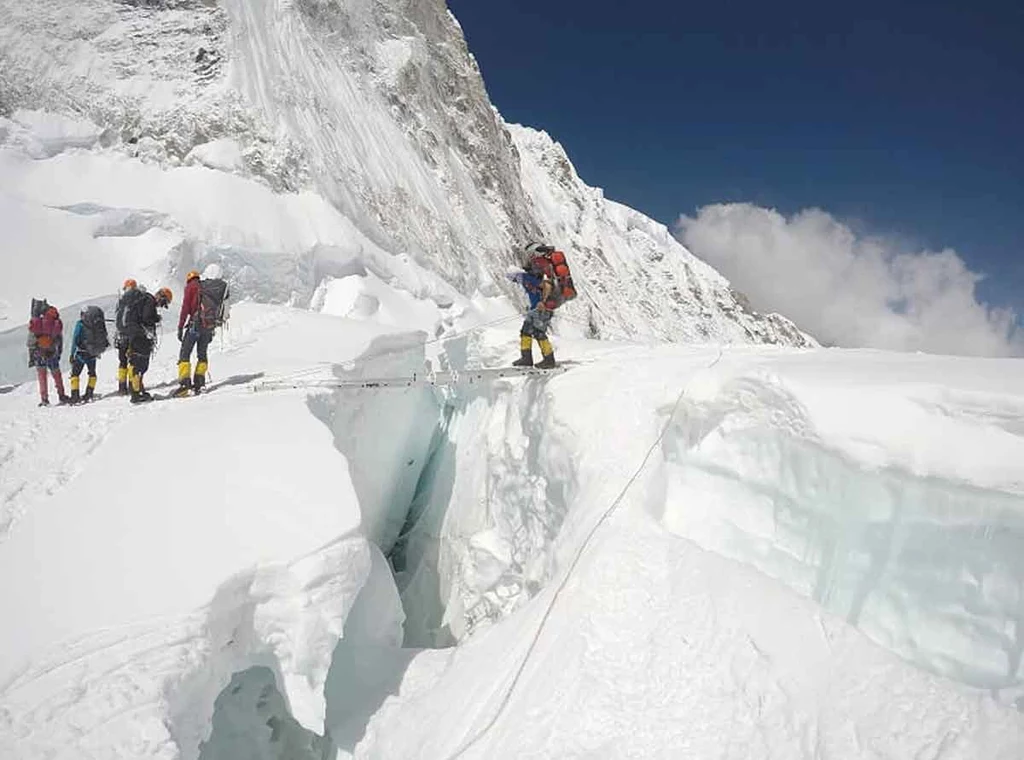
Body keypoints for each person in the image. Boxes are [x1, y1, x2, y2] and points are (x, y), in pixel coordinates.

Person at [175, 264, 228, 396]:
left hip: (195, 324)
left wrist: (181, 326)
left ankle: (185, 384)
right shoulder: (213, 288)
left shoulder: (191, 286)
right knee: (202, 354)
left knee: (185, 353)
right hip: (208, 326)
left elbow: (185, 308)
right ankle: (199, 383)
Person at [507, 242, 558, 368]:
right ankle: (526, 358)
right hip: (535, 309)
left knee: (538, 332)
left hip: (542, 308)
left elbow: (547, 285)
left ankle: (549, 359)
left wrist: (543, 302)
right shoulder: (533, 271)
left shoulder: (541, 268)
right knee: (526, 331)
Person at [124, 286, 173, 403]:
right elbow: (146, 318)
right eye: (163, 302)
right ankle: (135, 394)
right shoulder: (150, 301)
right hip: (140, 336)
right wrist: (156, 318)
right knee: (139, 364)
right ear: (161, 296)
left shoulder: (144, 300)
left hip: (135, 334)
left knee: (138, 364)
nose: (161, 305)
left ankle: (138, 390)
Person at [28, 303, 68, 406]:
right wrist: (58, 353)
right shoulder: (55, 322)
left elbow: (31, 341)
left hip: (39, 352)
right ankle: (62, 395)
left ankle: (44, 399)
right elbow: (59, 340)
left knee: (42, 376)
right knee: (57, 375)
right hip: (52, 352)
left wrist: (32, 355)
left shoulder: (38, 322)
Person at [68, 306, 108, 404]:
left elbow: (75, 339)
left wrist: (72, 353)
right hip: (92, 353)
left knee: (75, 374)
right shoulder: (96, 324)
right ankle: (89, 394)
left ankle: (75, 396)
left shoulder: (80, 324)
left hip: (81, 353)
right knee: (92, 373)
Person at [114, 279, 139, 395]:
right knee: (132, 360)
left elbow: (117, 317)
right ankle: (132, 385)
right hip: (133, 335)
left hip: (121, 335)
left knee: (122, 361)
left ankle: (121, 387)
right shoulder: (137, 298)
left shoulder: (121, 300)